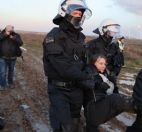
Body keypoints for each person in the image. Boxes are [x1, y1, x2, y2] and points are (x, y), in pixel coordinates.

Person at [42, 0, 93, 131]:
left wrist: (89, 72)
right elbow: (63, 67)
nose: (79, 16)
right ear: (64, 13)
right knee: (64, 127)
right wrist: (86, 77)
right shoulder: (54, 36)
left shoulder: (80, 38)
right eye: (76, 12)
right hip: (59, 91)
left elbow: (85, 61)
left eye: (81, 14)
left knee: (76, 123)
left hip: (77, 90)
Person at [81, 54, 133, 132]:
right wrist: (97, 84)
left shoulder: (104, 74)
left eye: (105, 64)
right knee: (116, 99)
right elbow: (85, 82)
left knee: (118, 99)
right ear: (93, 63)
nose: (103, 66)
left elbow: (111, 90)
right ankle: (138, 105)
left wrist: (114, 84)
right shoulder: (88, 71)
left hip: (99, 108)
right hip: (92, 108)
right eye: (100, 63)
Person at [86, 19, 122, 93]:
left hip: (110, 81)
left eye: (114, 33)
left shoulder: (115, 47)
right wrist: (97, 77)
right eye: (110, 32)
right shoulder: (91, 45)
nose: (112, 35)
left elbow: (118, 64)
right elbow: (86, 65)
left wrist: (112, 74)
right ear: (103, 31)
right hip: (94, 82)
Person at [0, 25, 23, 90]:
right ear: (6, 29)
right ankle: (2, 85)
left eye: (11, 29)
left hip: (13, 58)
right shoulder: (2, 34)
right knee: (2, 72)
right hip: (2, 57)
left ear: (13, 29)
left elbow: (21, 43)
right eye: (9, 29)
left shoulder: (16, 35)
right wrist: (5, 35)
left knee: (11, 71)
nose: (10, 30)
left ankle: (10, 83)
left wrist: (14, 38)